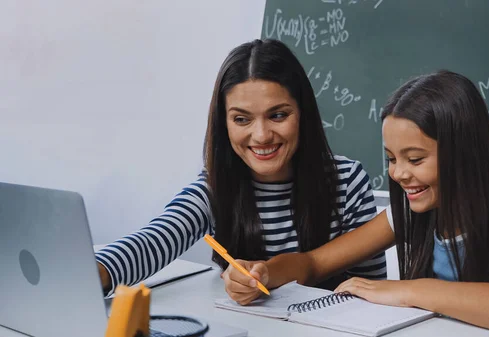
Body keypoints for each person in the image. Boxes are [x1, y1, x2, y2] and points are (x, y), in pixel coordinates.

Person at [222, 70, 489, 337]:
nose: (399, 174)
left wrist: (408, 291)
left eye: (415, 159)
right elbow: (314, 263)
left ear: (464, 156)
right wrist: (264, 271)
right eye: (391, 158)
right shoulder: (407, 213)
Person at [94, 38, 387, 296]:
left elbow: (371, 292)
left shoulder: (347, 181)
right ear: (224, 124)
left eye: (278, 115)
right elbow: (153, 240)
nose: (261, 135)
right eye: (241, 119)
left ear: (303, 114)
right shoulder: (216, 186)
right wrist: (97, 272)